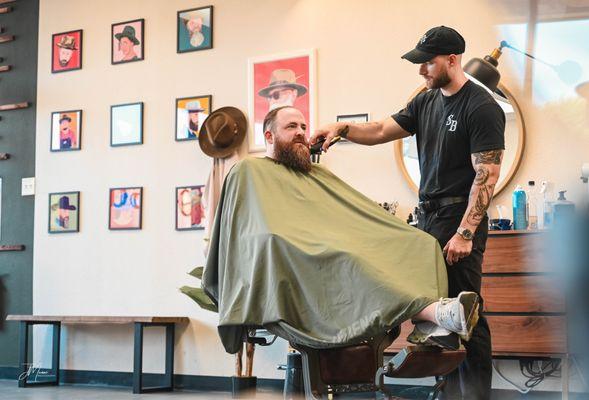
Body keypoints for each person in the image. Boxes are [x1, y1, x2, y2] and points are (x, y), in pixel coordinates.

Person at [312, 26, 505, 400]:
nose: (421, 71)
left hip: (457, 220)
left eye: (427, 64)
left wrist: (465, 232)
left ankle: (477, 396)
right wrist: (343, 128)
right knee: (438, 315)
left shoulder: (481, 107)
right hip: (428, 219)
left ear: (452, 60)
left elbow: (487, 173)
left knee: (467, 316)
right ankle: (450, 393)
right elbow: (383, 129)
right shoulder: (425, 101)